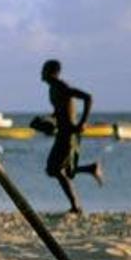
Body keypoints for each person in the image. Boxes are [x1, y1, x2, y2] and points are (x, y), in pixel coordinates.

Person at [41, 59, 103, 213]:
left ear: (51, 72)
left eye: (44, 70)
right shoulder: (52, 89)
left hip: (69, 133)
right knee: (63, 171)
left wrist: (83, 122)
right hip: (62, 132)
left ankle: (76, 205)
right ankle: (90, 170)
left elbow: (88, 97)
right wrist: (48, 122)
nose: (41, 73)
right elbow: (60, 110)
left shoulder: (62, 87)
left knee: (54, 169)